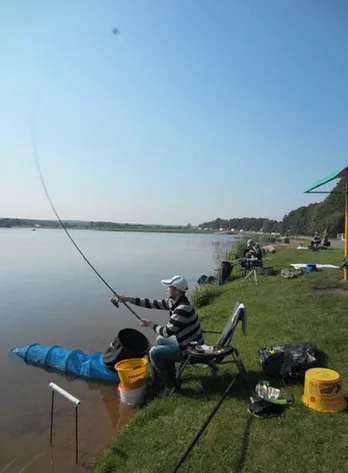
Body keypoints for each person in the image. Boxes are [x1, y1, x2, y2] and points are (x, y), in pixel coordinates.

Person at [110, 275, 204, 397]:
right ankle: (166, 377)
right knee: (160, 340)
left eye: (169, 287)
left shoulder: (182, 309)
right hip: (188, 342)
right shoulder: (174, 302)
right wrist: (127, 299)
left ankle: (170, 386)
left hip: (192, 349)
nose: (166, 289)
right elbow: (151, 303)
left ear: (176, 290)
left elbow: (166, 332)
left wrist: (150, 324)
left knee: (154, 352)